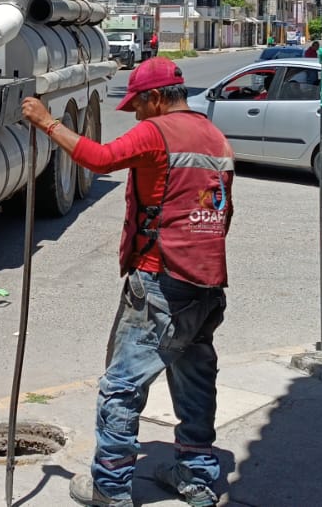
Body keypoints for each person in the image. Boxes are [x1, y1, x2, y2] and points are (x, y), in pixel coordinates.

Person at [21, 57, 235, 507]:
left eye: (138, 104)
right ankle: (197, 477)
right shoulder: (214, 136)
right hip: (207, 279)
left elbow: (99, 160)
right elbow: (221, 209)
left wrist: (47, 123)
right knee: (194, 379)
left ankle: (111, 488)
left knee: (122, 386)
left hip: (162, 279)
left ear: (156, 98)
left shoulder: (157, 131)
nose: (136, 113)